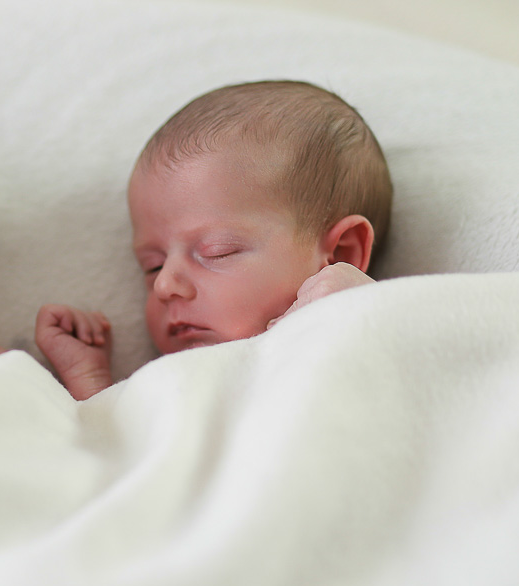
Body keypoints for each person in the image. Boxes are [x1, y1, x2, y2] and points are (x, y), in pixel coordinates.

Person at [37, 80, 392, 399]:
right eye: (152, 266)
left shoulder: (379, 336)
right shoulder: (173, 384)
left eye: (217, 252)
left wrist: (358, 309)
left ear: (340, 254)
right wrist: (90, 378)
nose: (164, 285)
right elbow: (120, 459)